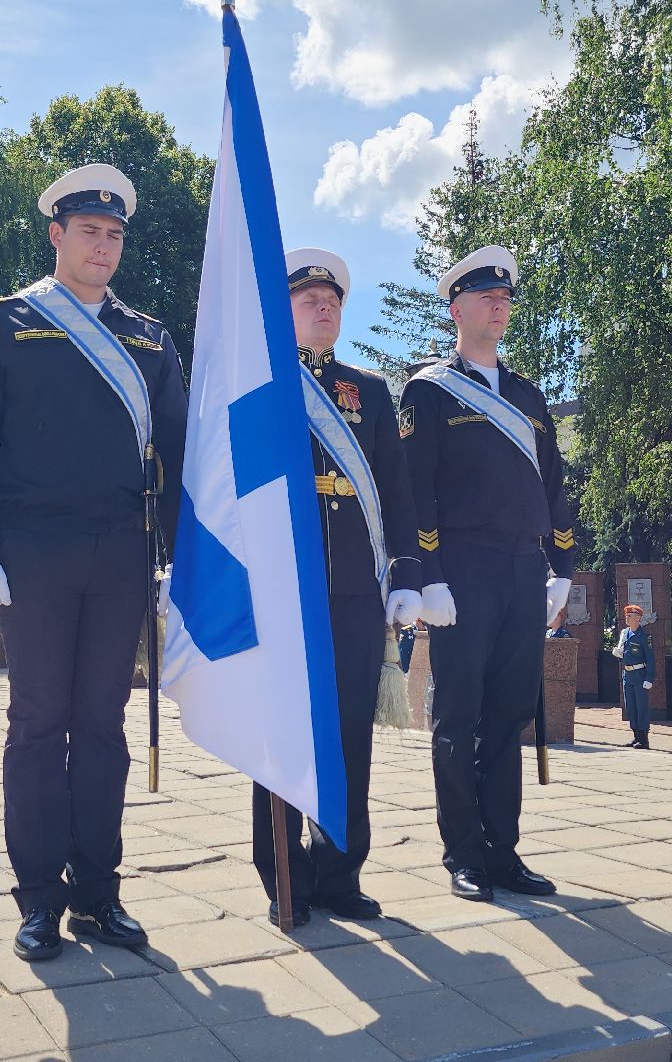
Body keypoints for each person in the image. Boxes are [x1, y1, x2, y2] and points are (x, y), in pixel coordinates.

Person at [0, 163, 188, 962]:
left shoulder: (150, 338)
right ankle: (40, 897)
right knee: (39, 725)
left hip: (120, 552)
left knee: (104, 727)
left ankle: (99, 893)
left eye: (115, 235)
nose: (103, 246)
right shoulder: (3, 325)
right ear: (56, 234)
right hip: (33, 553)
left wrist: (182, 560)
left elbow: (180, 459)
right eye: (89, 231)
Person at [251, 248, 423, 926]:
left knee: (351, 737)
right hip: (283, 591)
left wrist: (405, 573)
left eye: (332, 301)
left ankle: (341, 874)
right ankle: (284, 877)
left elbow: (397, 492)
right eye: (308, 300)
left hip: (354, 591)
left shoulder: (370, 392)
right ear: (285, 311)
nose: (324, 308)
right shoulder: (260, 384)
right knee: (283, 739)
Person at [401, 245, 576, 903]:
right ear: (457, 309)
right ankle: (463, 855)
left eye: (504, 299)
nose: (499, 307)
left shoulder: (529, 396)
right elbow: (418, 491)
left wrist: (563, 568)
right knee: (458, 716)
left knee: (508, 717)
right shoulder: (430, 390)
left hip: (524, 570)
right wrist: (430, 575)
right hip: (463, 572)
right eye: (485, 298)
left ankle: (504, 853)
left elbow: (556, 488)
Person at [612, 604, 654, 749]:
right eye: (626, 616)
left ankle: (644, 739)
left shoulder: (643, 637)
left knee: (641, 706)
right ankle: (636, 735)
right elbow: (625, 654)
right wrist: (619, 655)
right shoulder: (625, 634)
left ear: (638, 618)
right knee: (630, 706)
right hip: (627, 674)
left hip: (639, 674)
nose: (627, 618)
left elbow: (650, 659)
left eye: (629, 616)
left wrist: (649, 678)